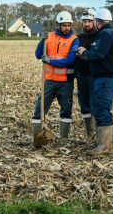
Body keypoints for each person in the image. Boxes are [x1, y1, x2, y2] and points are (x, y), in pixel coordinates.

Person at [76, 8, 113, 155]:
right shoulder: (106, 33)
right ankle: (103, 143)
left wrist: (84, 52)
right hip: (104, 77)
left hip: (107, 77)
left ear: (97, 22)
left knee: (102, 109)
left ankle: (104, 146)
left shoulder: (106, 34)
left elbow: (99, 54)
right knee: (99, 108)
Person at [31, 11, 79, 145]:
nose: (67, 28)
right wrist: (41, 42)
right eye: (64, 25)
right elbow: (37, 55)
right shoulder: (49, 37)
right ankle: (37, 137)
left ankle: (63, 138)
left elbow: (70, 60)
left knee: (66, 110)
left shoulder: (74, 40)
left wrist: (50, 61)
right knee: (39, 109)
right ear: (57, 25)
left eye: (69, 25)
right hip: (50, 81)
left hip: (66, 82)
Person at [75, 8, 98, 144]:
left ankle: (98, 135)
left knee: (96, 105)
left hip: (94, 76)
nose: (86, 24)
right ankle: (89, 135)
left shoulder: (100, 37)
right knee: (84, 105)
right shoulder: (79, 38)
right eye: (84, 21)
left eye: (89, 21)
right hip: (81, 76)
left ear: (95, 22)